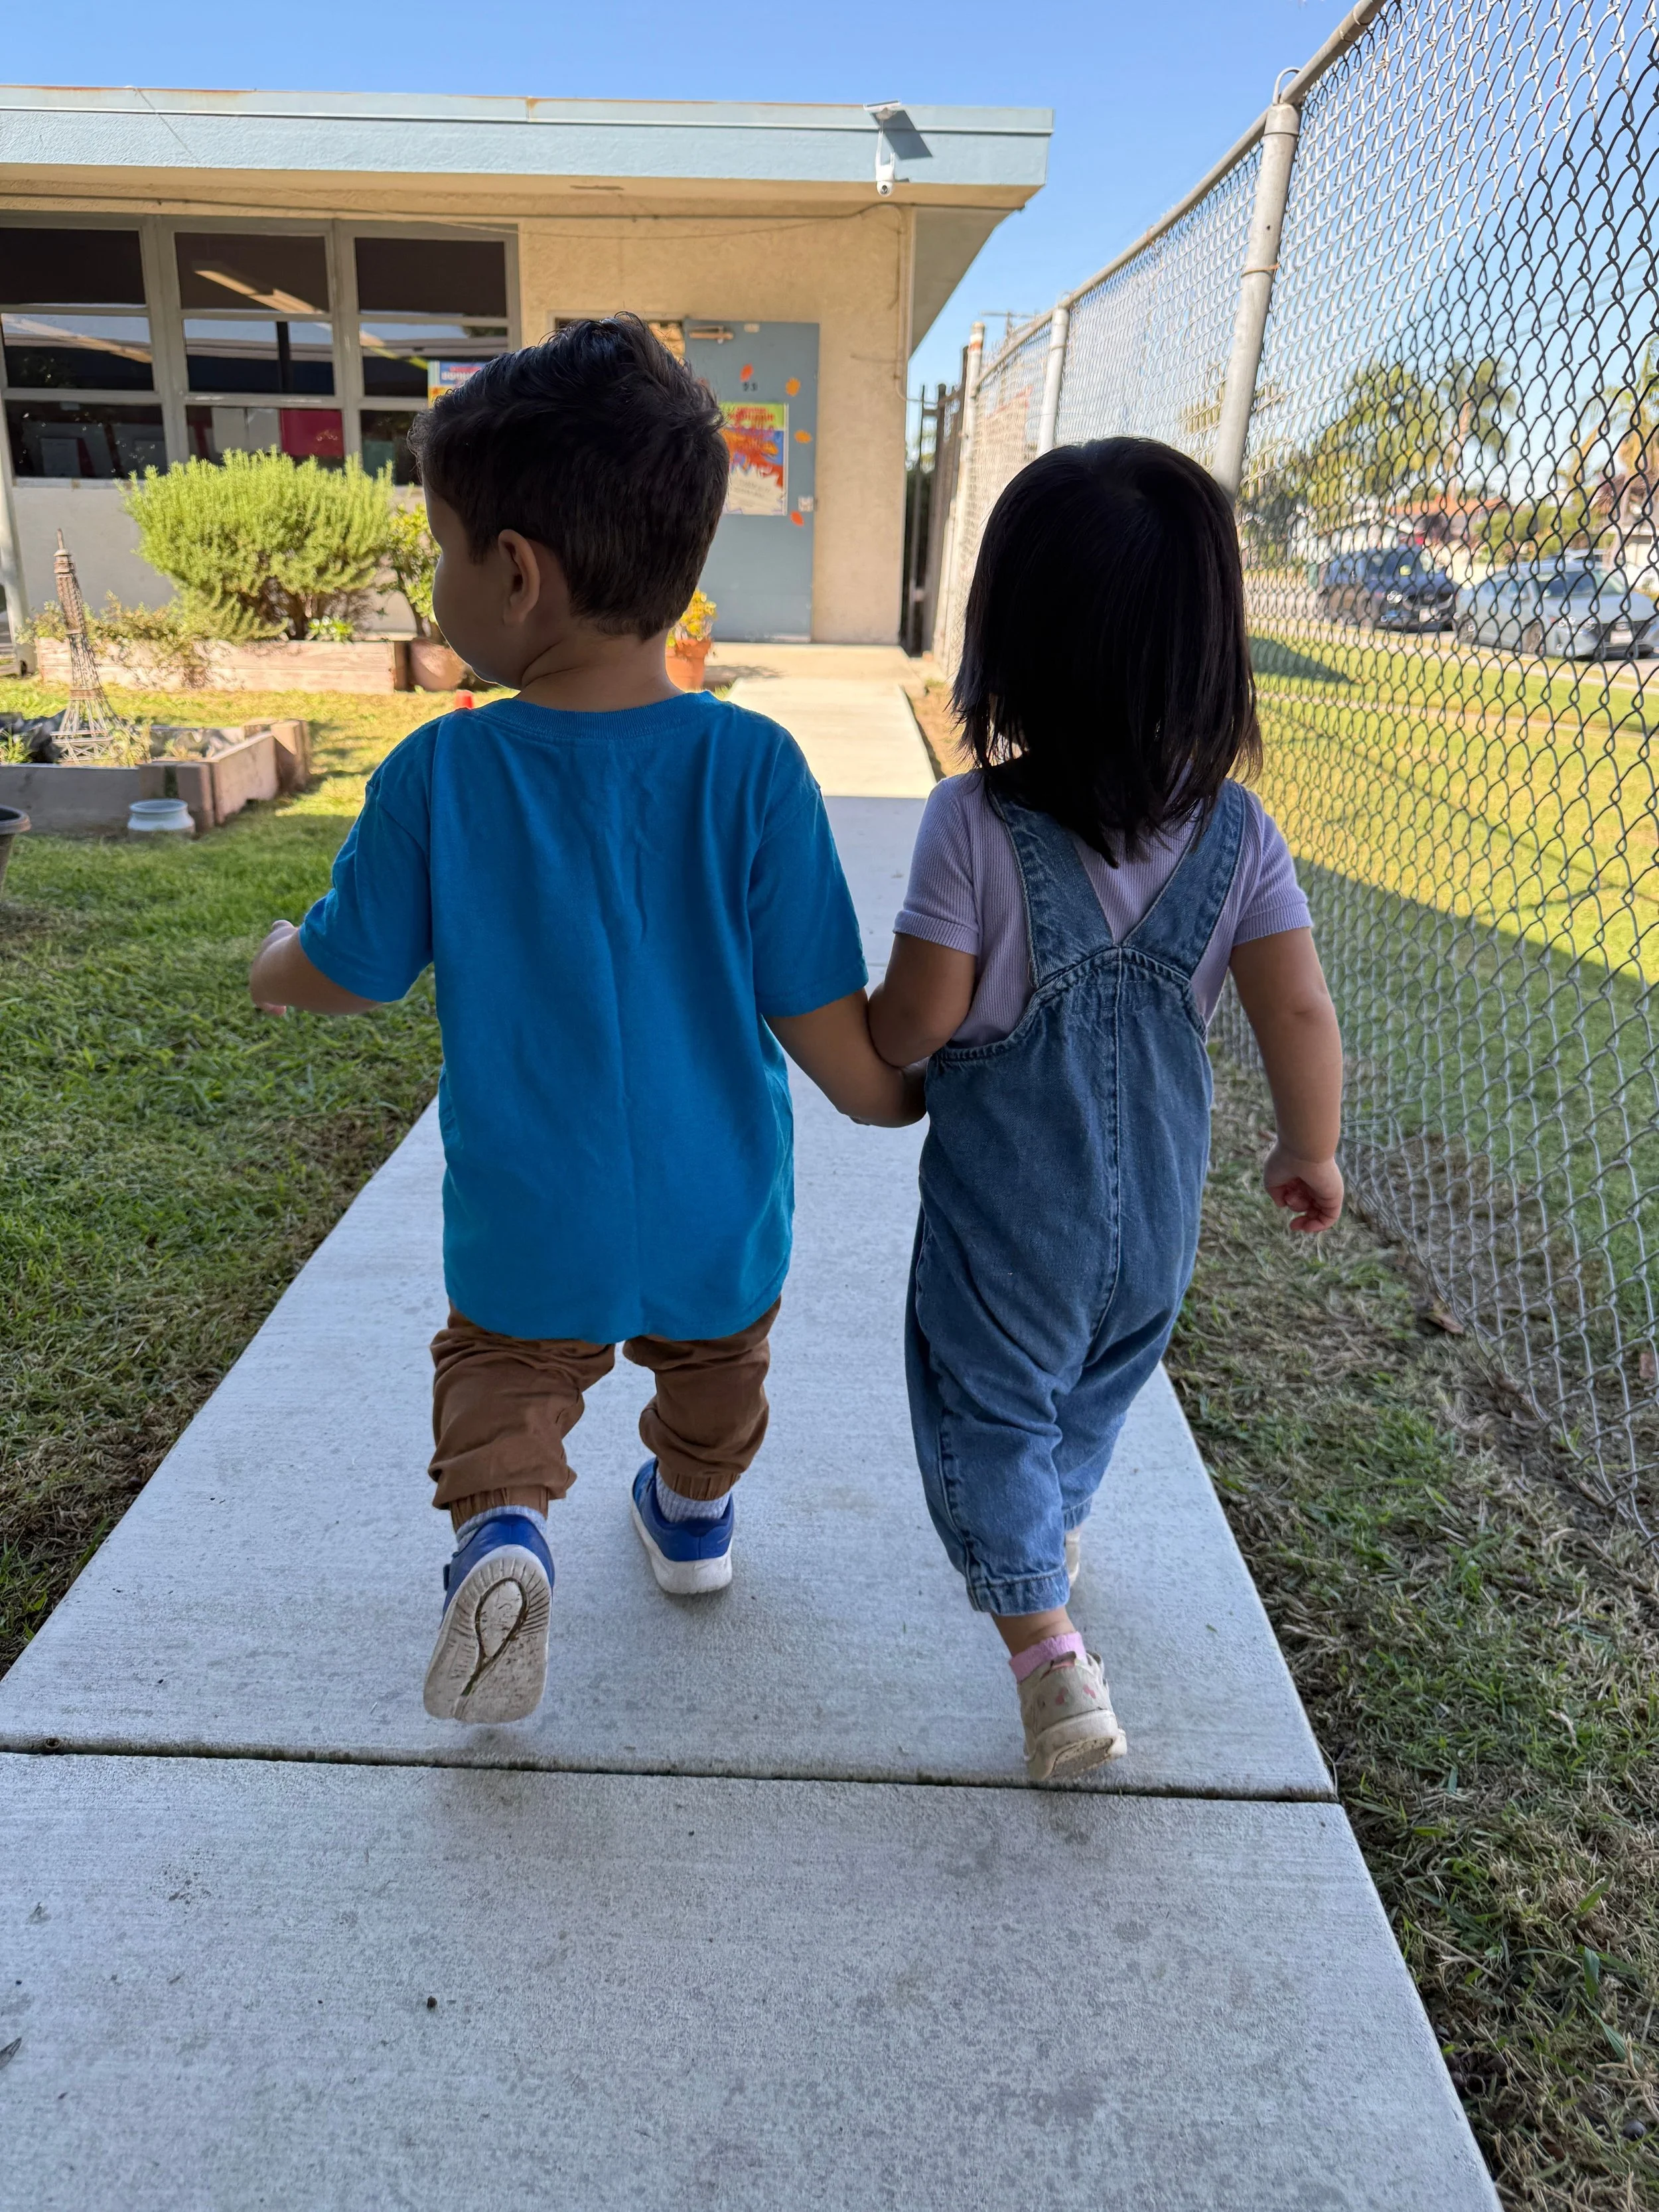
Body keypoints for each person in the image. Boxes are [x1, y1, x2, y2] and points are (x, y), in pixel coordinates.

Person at [249, 317, 916, 1728]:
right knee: (717, 1385)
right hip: (712, 1211)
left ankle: (502, 1540)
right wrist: (902, 1093)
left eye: (437, 549)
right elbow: (825, 1029)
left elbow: (349, 967)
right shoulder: (752, 769)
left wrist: (273, 963)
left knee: (501, 1389)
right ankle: (687, 1521)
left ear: (514, 574)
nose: (435, 582)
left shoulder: (443, 774)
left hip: (529, 1216)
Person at [867, 437, 1344, 1783]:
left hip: (1007, 1230)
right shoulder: (1239, 837)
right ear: (1209, 656)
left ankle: (1044, 1649)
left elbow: (914, 1019)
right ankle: (1055, 1530)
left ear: (1006, 645)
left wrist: (878, 1041)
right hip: (1154, 1238)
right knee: (1090, 1394)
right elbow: (1296, 1014)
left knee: (982, 1407)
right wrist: (1305, 1147)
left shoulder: (972, 825)